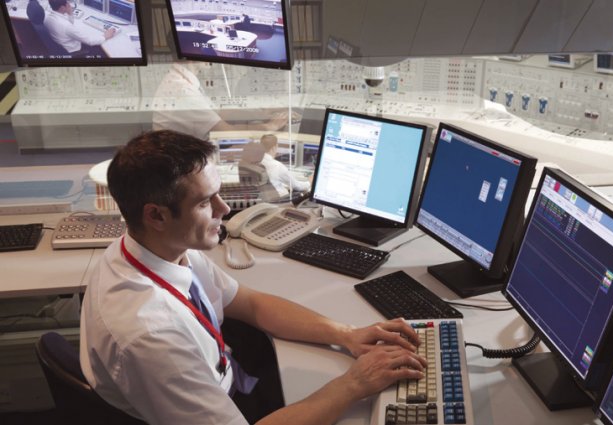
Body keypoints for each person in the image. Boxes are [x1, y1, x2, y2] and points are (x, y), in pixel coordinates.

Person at [80, 129, 426, 425]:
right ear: (156, 215)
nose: (224, 209)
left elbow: (252, 305)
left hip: (225, 373)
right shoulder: (149, 335)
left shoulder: (156, 247)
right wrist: (354, 383)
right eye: (205, 203)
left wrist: (348, 334)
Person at [152, 62, 290, 141]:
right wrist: (269, 127)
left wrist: (262, 114)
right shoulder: (182, 91)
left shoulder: (182, 80)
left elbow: (218, 113)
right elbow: (226, 132)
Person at [43, 0, 116, 54]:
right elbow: (90, 41)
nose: (69, 5)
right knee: (101, 49)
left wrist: (70, 13)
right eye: (68, 3)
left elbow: (68, 24)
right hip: (74, 49)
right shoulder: (66, 26)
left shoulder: (47, 17)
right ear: (62, 8)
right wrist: (105, 36)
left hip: (61, 45)